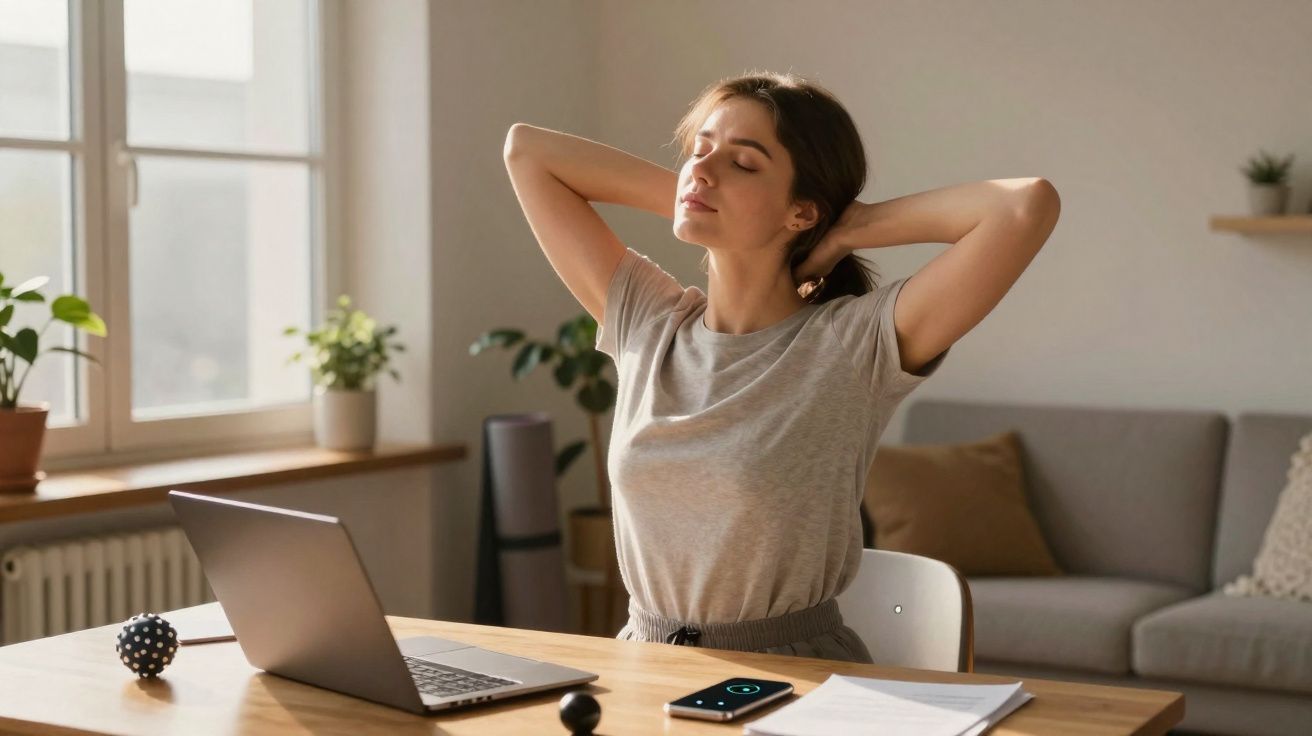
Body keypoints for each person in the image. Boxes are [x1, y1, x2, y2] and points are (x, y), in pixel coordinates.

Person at [502, 70, 1060, 663]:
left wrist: (851, 227)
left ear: (801, 212)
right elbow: (527, 151)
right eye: (699, 150)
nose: (704, 168)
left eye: (744, 163)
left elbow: (1026, 207)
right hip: (646, 665)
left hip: (795, 676)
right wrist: (703, 190)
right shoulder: (648, 322)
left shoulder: (851, 344)